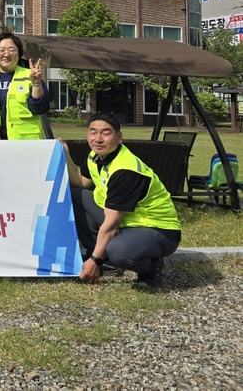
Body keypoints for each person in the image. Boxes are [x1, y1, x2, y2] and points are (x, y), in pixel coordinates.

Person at [64, 113, 181, 288]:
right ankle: (107, 262)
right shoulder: (95, 156)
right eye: (93, 132)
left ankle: (151, 267)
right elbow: (81, 181)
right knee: (75, 195)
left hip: (157, 229)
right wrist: (65, 154)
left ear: (119, 137)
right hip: (126, 220)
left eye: (106, 133)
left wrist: (94, 260)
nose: (98, 139)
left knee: (119, 251)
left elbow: (112, 224)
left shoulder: (125, 170)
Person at [0, 32, 50, 140]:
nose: (6, 54)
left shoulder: (30, 75)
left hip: (24, 141)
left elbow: (39, 108)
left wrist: (36, 83)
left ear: (19, 53)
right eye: (2, 50)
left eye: (12, 50)